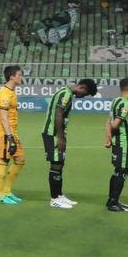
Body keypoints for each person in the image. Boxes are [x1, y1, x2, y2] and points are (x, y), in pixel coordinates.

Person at [41, 78, 99, 209]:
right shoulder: (65, 94)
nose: (82, 97)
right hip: (52, 134)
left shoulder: (66, 92)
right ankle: (54, 199)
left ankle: (59, 195)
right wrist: (60, 137)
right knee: (56, 164)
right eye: (84, 94)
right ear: (82, 87)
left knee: (60, 163)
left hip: (56, 134)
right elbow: (58, 114)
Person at [0, 65, 26, 205]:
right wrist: (9, 137)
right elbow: (3, 117)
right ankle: (0, 195)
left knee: (20, 160)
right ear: (12, 77)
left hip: (12, 132)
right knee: (3, 160)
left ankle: (7, 191)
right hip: (5, 133)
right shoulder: (5, 94)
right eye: (19, 75)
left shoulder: (11, 91)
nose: (21, 77)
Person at [104, 77, 128, 212]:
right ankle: (113, 202)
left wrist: (108, 137)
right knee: (123, 171)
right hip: (124, 142)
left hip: (118, 142)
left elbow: (108, 122)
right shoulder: (125, 103)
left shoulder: (115, 101)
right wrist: (112, 134)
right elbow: (115, 124)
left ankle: (113, 200)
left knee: (118, 171)